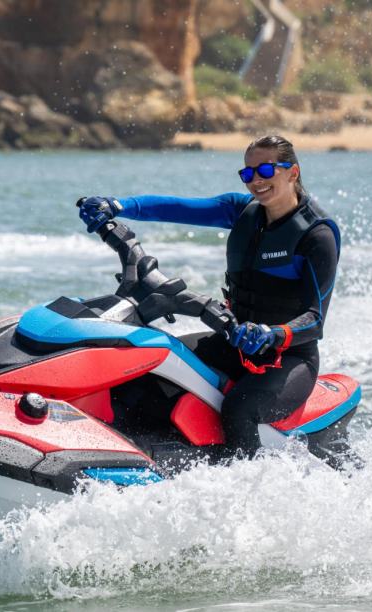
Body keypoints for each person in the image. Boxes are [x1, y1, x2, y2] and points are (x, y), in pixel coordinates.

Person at [78, 134, 340, 460]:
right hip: (233, 341)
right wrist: (118, 206)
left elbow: (315, 320)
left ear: (293, 172)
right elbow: (176, 207)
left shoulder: (316, 234)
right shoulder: (242, 211)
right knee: (149, 365)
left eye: (265, 170)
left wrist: (271, 334)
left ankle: (246, 480)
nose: (256, 181)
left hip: (288, 359)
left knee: (239, 409)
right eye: (247, 173)